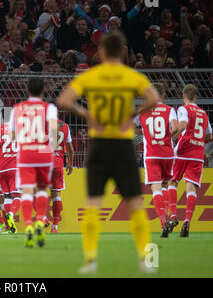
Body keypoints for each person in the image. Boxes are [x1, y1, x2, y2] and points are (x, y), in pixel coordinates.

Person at [57, 31, 160, 273]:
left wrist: (86, 114)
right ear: (123, 52)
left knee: (93, 203)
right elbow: (154, 99)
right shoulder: (131, 76)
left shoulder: (92, 76)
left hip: (100, 143)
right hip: (123, 145)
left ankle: (90, 260)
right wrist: (135, 113)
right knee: (135, 204)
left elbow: (64, 99)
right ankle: (145, 259)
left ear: (101, 52)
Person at [9, 77, 58, 247]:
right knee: (43, 190)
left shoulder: (17, 108)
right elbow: (53, 131)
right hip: (44, 153)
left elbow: (12, 136)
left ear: (27, 90)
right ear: (43, 90)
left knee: (27, 192)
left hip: (26, 154)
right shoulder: (49, 108)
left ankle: (28, 225)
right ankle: (40, 220)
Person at [133, 83, 178, 237]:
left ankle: (163, 222)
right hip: (167, 153)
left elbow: (130, 126)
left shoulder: (143, 111)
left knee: (156, 188)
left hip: (152, 155)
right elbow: (176, 128)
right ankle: (173, 215)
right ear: (163, 95)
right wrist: (166, 137)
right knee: (170, 182)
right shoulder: (170, 110)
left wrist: (145, 132)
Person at [167, 84, 212, 237]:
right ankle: (187, 221)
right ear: (196, 97)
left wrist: (171, 135)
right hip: (198, 153)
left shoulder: (183, 109)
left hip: (183, 150)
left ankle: (173, 216)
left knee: (172, 181)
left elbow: (183, 125)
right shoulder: (204, 113)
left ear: (183, 96)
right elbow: (209, 136)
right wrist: (198, 139)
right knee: (190, 186)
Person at [50, 119, 74, 233]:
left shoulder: (42, 124)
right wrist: (70, 163)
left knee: (36, 191)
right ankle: (55, 226)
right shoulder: (65, 126)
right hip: (57, 164)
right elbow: (70, 149)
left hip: (43, 163)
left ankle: (42, 219)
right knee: (56, 195)